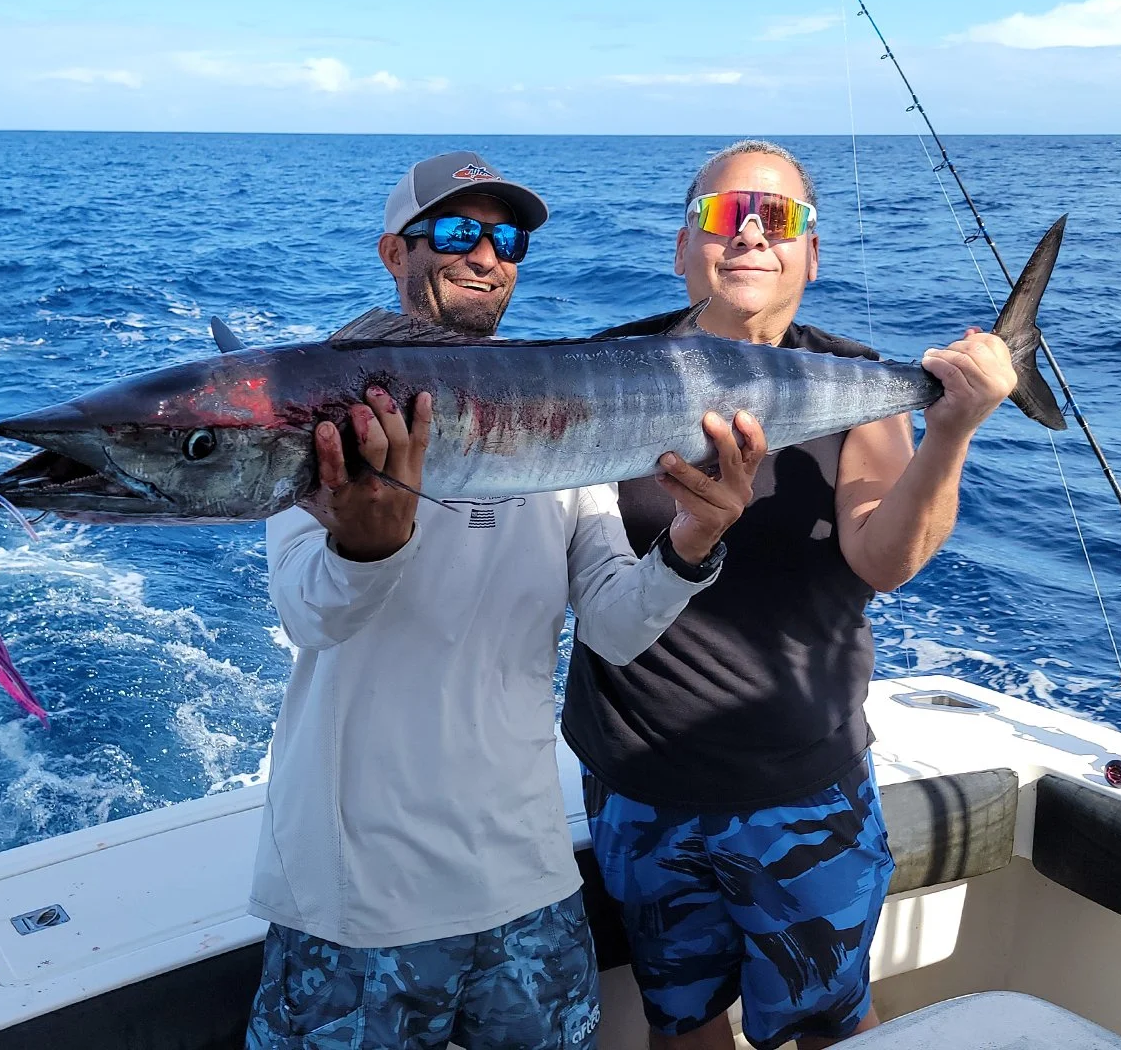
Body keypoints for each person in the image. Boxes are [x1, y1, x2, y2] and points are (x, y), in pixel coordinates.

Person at [246, 151, 766, 1049]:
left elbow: (611, 620)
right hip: (355, 899)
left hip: (527, 884)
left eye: (506, 238)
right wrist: (367, 545)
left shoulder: (560, 412)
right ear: (392, 252)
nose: (485, 256)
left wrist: (691, 543)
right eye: (456, 232)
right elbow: (310, 615)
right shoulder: (327, 403)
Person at [561, 140, 1023, 1050]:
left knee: (825, 1028)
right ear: (682, 245)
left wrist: (951, 431)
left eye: (780, 219)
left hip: (803, 788)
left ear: (813, 254)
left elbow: (882, 556)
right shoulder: (607, 369)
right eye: (724, 214)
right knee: (680, 1022)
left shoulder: (858, 383)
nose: (749, 236)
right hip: (636, 784)